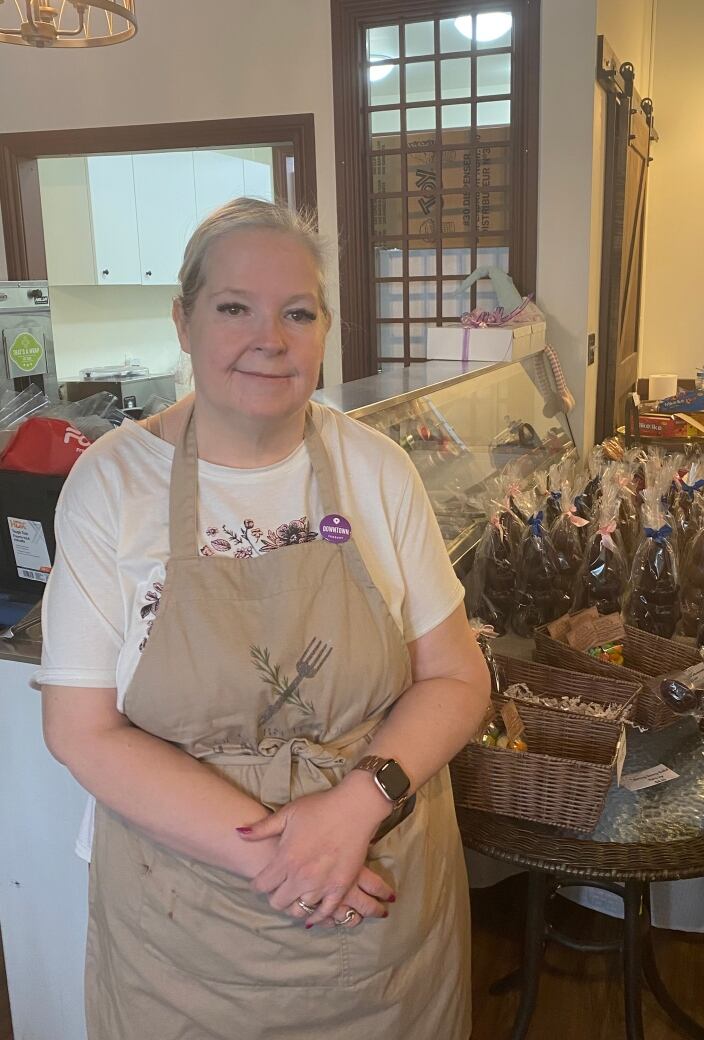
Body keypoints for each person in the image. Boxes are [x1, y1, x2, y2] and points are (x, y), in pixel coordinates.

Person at [38, 197, 490, 1039]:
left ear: (324, 328)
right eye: (234, 308)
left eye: (297, 313)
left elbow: (459, 676)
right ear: (184, 320)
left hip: (384, 911)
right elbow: (80, 730)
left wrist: (356, 808)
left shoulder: (376, 469)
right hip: (185, 931)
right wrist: (293, 856)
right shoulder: (112, 484)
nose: (269, 339)